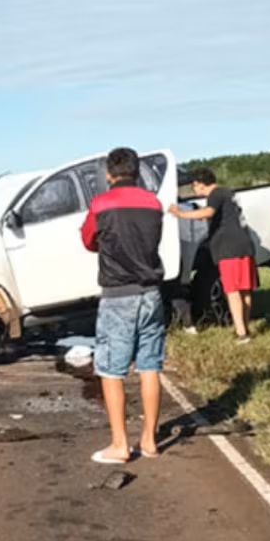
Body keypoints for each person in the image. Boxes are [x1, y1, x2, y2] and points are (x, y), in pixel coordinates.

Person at [81, 147, 165, 464]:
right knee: (150, 365)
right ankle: (149, 440)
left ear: (108, 174)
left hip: (118, 294)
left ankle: (119, 444)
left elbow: (88, 240)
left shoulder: (101, 204)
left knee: (111, 370)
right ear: (137, 171)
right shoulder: (153, 203)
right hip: (151, 293)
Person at [168, 168, 258, 343]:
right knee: (245, 290)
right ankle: (245, 326)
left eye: (194, 186)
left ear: (200, 184)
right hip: (244, 245)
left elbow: (208, 212)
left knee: (232, 291)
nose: (193, 189)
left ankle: (241, 333)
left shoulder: (215, 194)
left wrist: (180, 213)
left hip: (228, 248)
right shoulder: (228, 193)